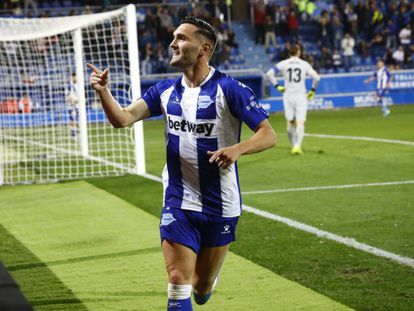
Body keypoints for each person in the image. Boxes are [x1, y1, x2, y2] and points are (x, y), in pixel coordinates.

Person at [87, 16, 276, 311]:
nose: (172, 43)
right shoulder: (163, 91)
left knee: (200, 288)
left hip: (221, 205)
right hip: (178, 201)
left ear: (204, 48)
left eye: (181, 38)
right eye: (174, 37)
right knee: (178, 283)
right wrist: (103, 92)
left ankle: (206, 284)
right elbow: (122, 119)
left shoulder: (231, 89)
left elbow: (268, 134)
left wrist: (238, 149)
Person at [266, 44, 320, 155]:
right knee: (300, 122)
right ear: (299, 52)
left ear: (289, 53)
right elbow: (317, 78)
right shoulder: (304, 64)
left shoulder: (283, 63)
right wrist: (313, 90)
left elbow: (269, 74)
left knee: (290, 122)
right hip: (301, 96)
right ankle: (298, 147)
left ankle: (292, 146)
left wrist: (277, 86)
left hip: (288, 95)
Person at [66, 73, 79, 138]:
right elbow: (66, 96)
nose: (75, 78)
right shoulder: (69, 86)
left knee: (76, 119)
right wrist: (71, 101)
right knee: (73, 119)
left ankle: (75, 132)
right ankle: (73, 133)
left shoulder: (78, 85)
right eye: (74, 77)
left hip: (78, 105)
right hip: (72, 106)